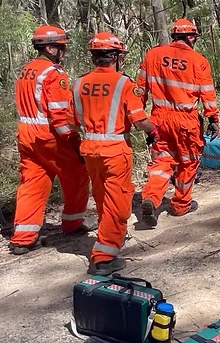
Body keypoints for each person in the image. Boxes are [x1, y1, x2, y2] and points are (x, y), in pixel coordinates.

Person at [68, 32, 157, 275]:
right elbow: (139, 120)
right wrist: (153, 131)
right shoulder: (123, 83)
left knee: (101, 198)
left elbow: (73, 122)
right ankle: (104, 256)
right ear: (116, 57)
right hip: (115, 151)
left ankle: (105, 239)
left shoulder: (79, 83)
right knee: (117, 202)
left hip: (89, 150)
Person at [9, 26, 91, 255]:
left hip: (26, 134)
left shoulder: (26, 70)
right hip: (50, 135)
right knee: (77, 175)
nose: (64, 51)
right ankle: (73, 223)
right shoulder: (53, 73)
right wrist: (73, 139)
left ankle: (23, 238)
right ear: (50, 47)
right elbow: (58, 112)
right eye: (61, 47)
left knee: (33, 182)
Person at [137, 19, 219, 227]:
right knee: (187, 161)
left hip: (158, 118)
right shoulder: (198, 61)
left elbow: (140, 90)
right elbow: (207, 94)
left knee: (161, 162)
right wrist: (213, 118)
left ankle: (151, 198)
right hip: (185, 120)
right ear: (191, 37)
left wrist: (138, 116)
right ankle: (181, 204)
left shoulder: (153, 54)